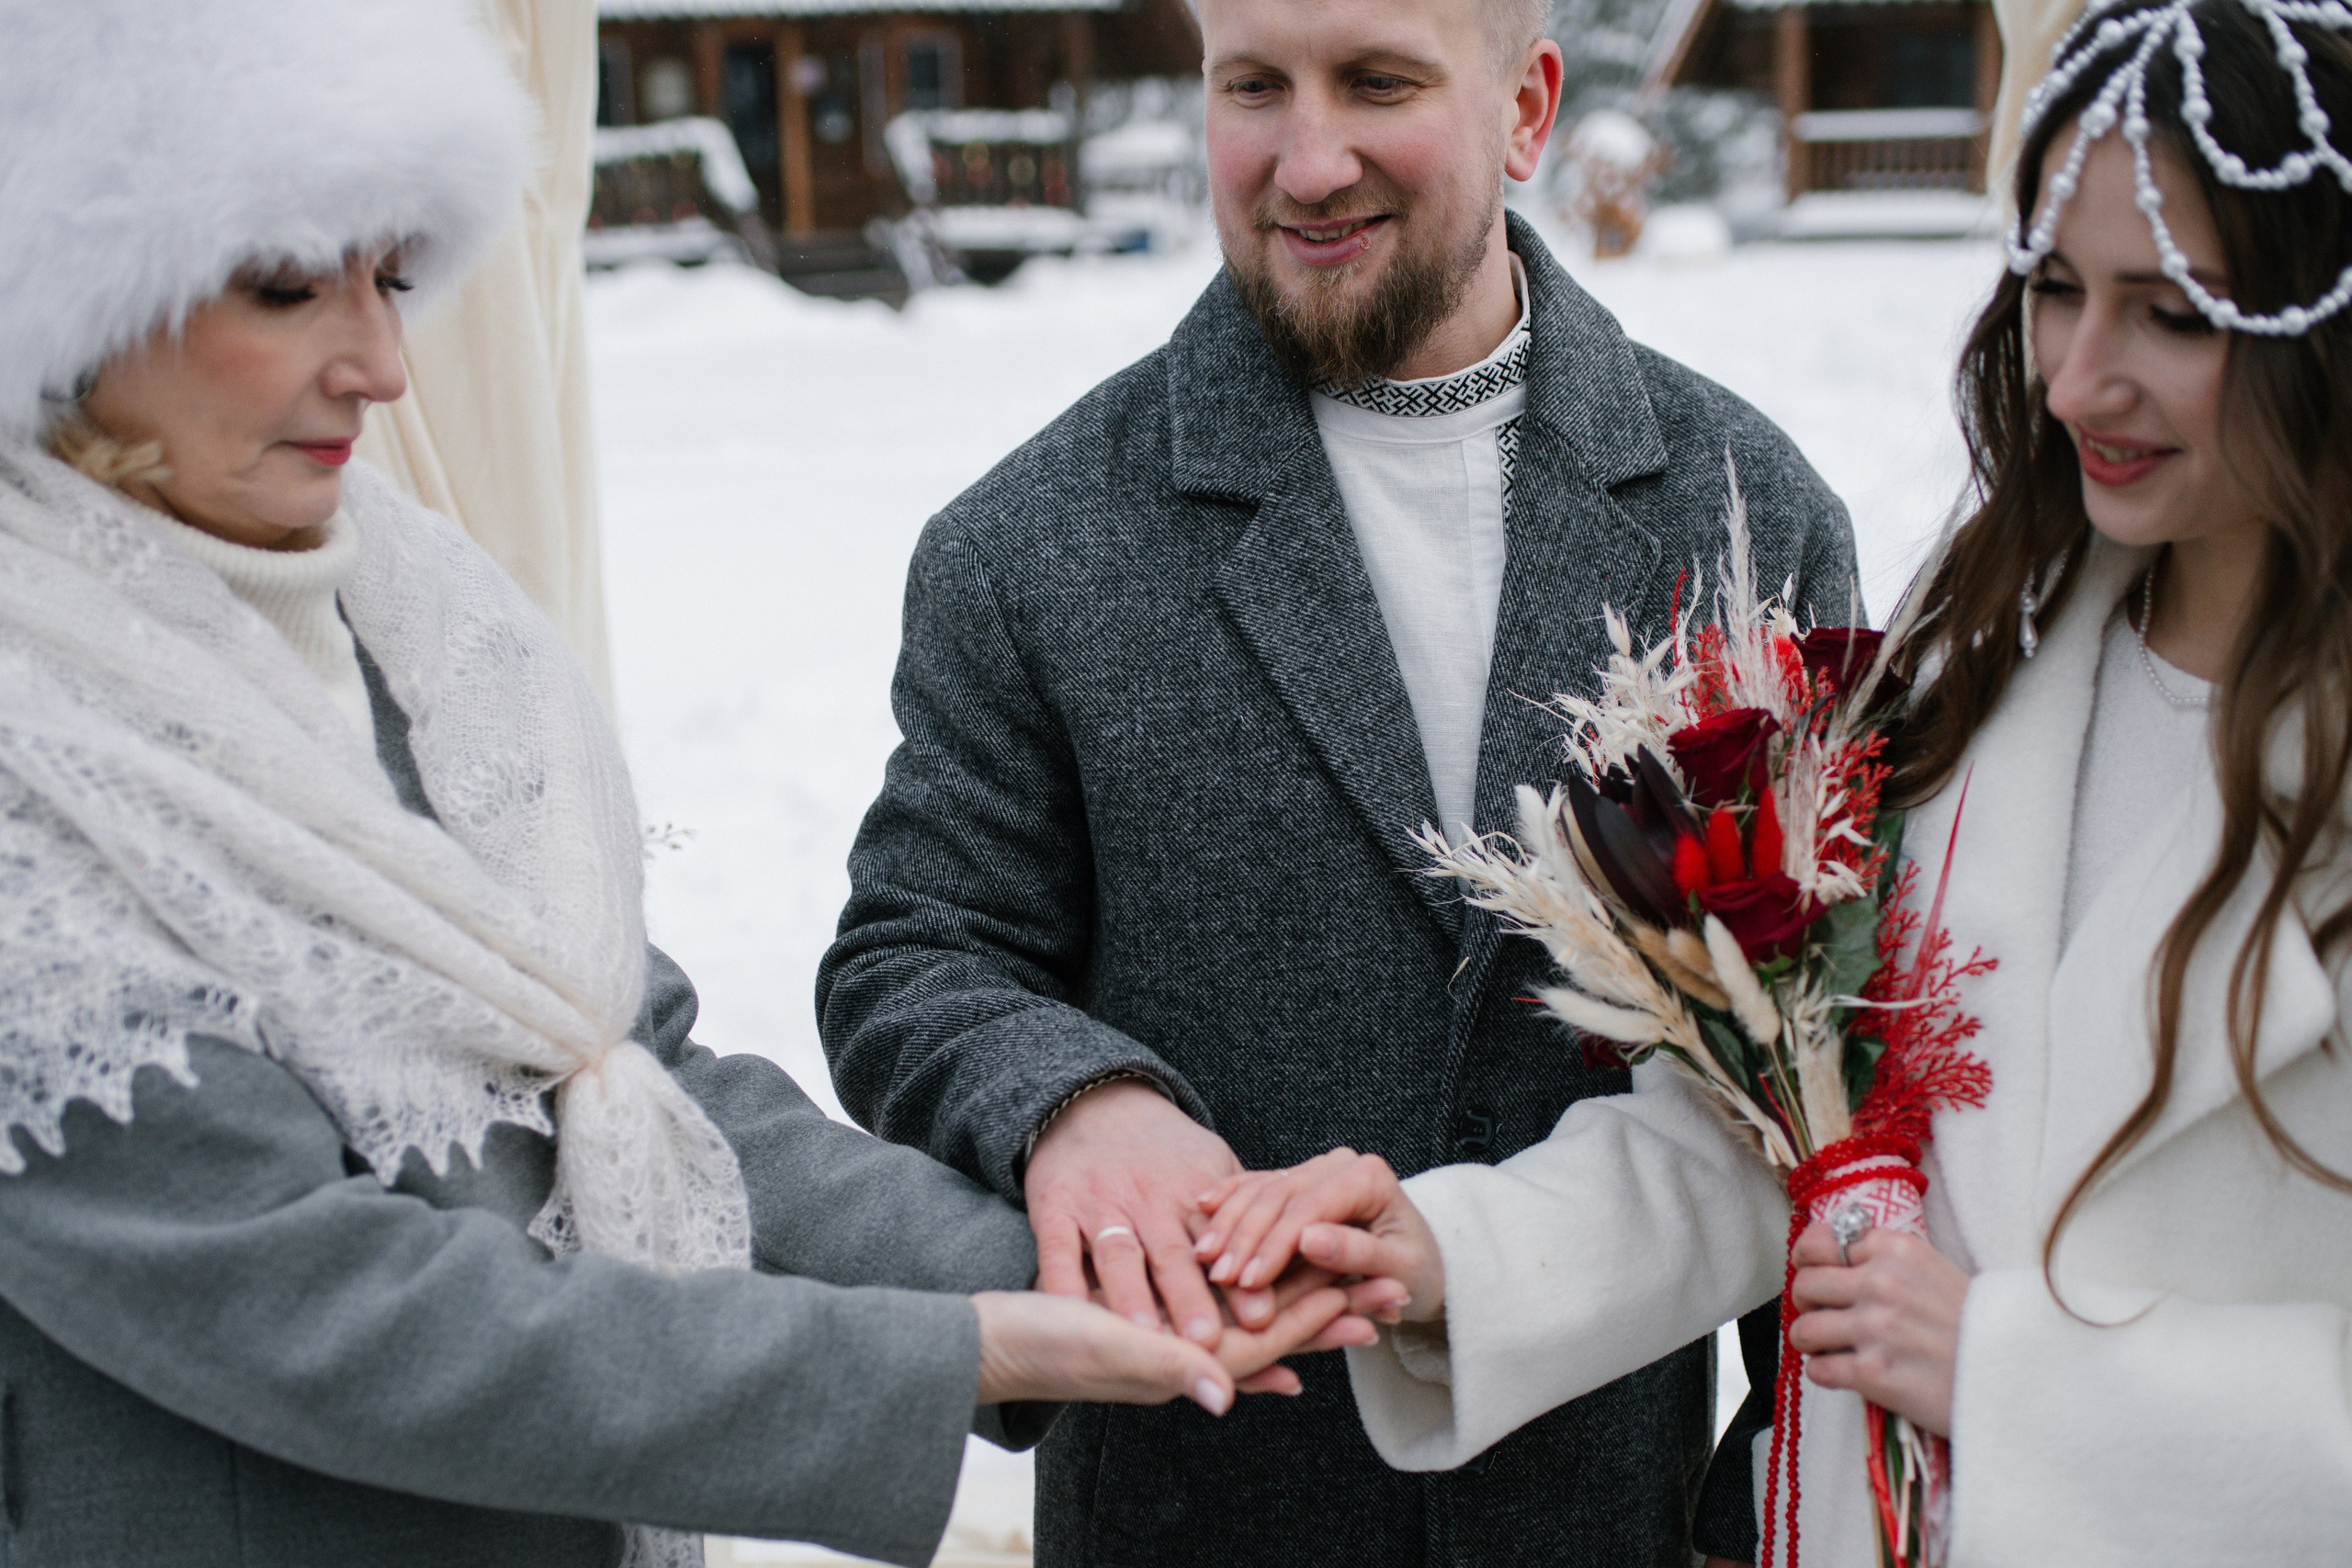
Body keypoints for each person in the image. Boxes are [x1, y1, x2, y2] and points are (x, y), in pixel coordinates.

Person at [0, 4, 1377, 1566]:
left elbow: (632, 1078)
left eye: (391, 279)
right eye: (284, 286)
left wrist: (1069, 1267)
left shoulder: (420, 619)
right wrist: (956, 1354)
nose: (384, 364)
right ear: (75, 284)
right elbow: (306, 1302)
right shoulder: (37, 739)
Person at [1202, 0, 2352, 1561]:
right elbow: (1791, 1132)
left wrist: (2021, 1380)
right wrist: (1452, 1252)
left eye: (2173, 316)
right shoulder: (1968, 680)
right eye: (2056, 291)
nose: (2080, 382)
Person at [815, 0, 1860, 1557]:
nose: (1307, 162)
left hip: (1603, 1518)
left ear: (1527, 110)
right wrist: (1073, 1106)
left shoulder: (1742, 512)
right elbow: (916, 951)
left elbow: (1822, 1057)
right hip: (1197, 1504)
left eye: (1377, 83)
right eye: (1255, 88)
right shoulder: (1023, 546)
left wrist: (1773, 1489)